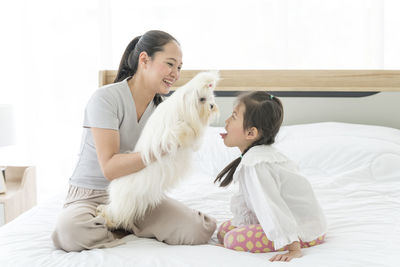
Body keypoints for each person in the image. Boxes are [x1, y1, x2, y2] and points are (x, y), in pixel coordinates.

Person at [52, 30, 217, 252]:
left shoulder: (163, 110)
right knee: (70, 232)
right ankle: (119, 224)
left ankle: (121, 223)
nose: (175, 74)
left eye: (179, 67)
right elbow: (110, 168)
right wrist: (162, 147)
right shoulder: (105, 99)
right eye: (170, 64)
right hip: (92, 195)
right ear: (144, 60)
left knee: (198, 229)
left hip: (137, 195)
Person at [215, 91, 327, 262]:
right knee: (223, 231)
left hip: (302, 230)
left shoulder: (257, 163)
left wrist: (293, 248)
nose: (226, 121)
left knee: (232, 239)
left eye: (234, 117)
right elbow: (251, 201)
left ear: (251, 133)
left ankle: (292, 240)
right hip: (290, 220)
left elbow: (272, 205)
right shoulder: (253, 157)